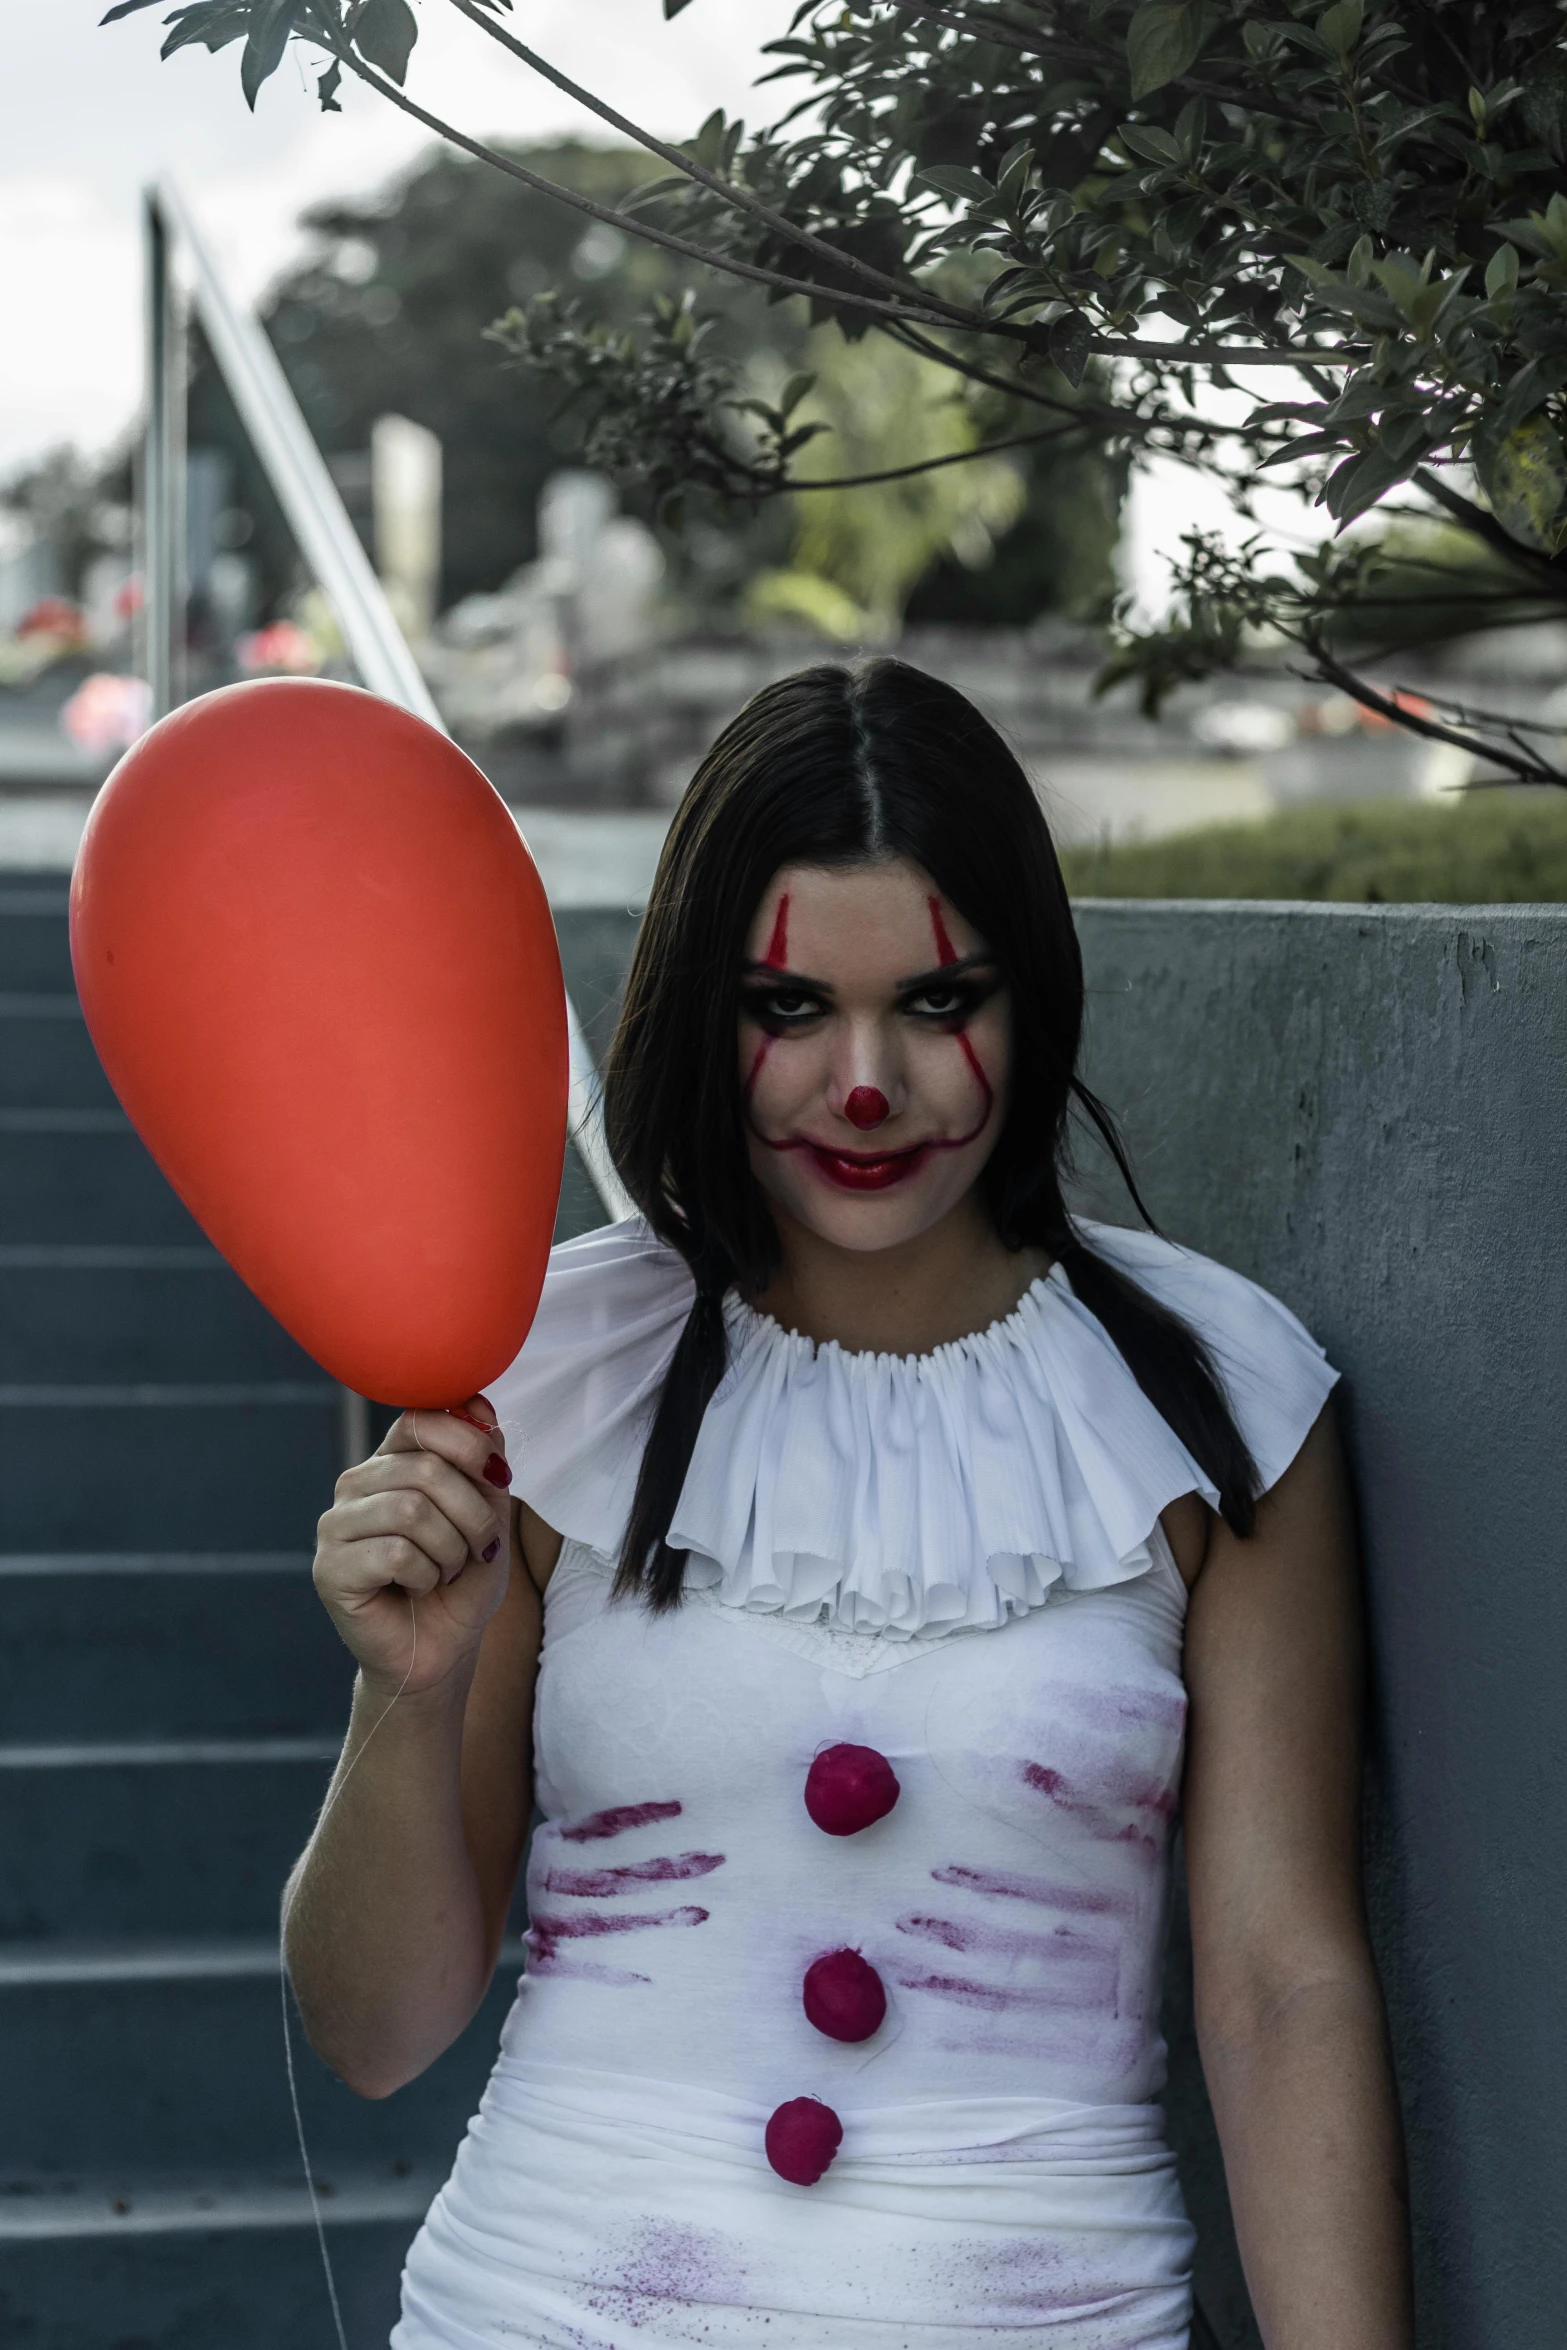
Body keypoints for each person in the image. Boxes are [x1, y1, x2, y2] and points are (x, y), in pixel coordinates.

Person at [287, 659, 1414, 2349]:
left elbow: (1279, 1988)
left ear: (1027, 998)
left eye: (939, 999)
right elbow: (373, 2030)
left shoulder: (1219, 1397)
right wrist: (407, 1689)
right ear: (699, 1007)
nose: (868, 1083)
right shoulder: (543, 1374)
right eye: (790, 1007)